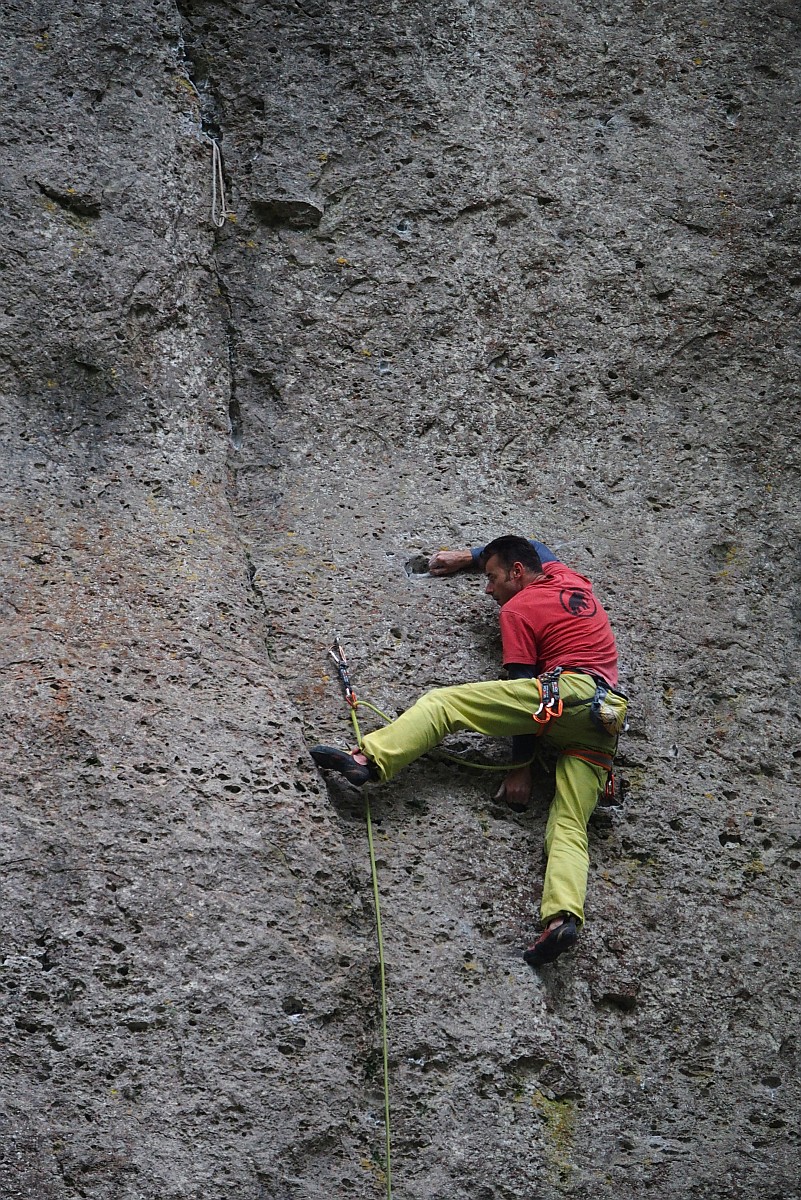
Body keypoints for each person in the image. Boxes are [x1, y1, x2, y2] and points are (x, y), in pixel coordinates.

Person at [312, 535, 628, 967]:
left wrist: (522, 767)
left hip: (564, 694)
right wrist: (467, 558)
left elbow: (522, 690)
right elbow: (534, 544)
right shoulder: (568, 578)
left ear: (517, 573)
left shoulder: (517, 610)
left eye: (492, 577)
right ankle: (562, 918)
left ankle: (369, 759)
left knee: (445, 704)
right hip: (604, 719)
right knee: (571, 823)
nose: (488, 588)